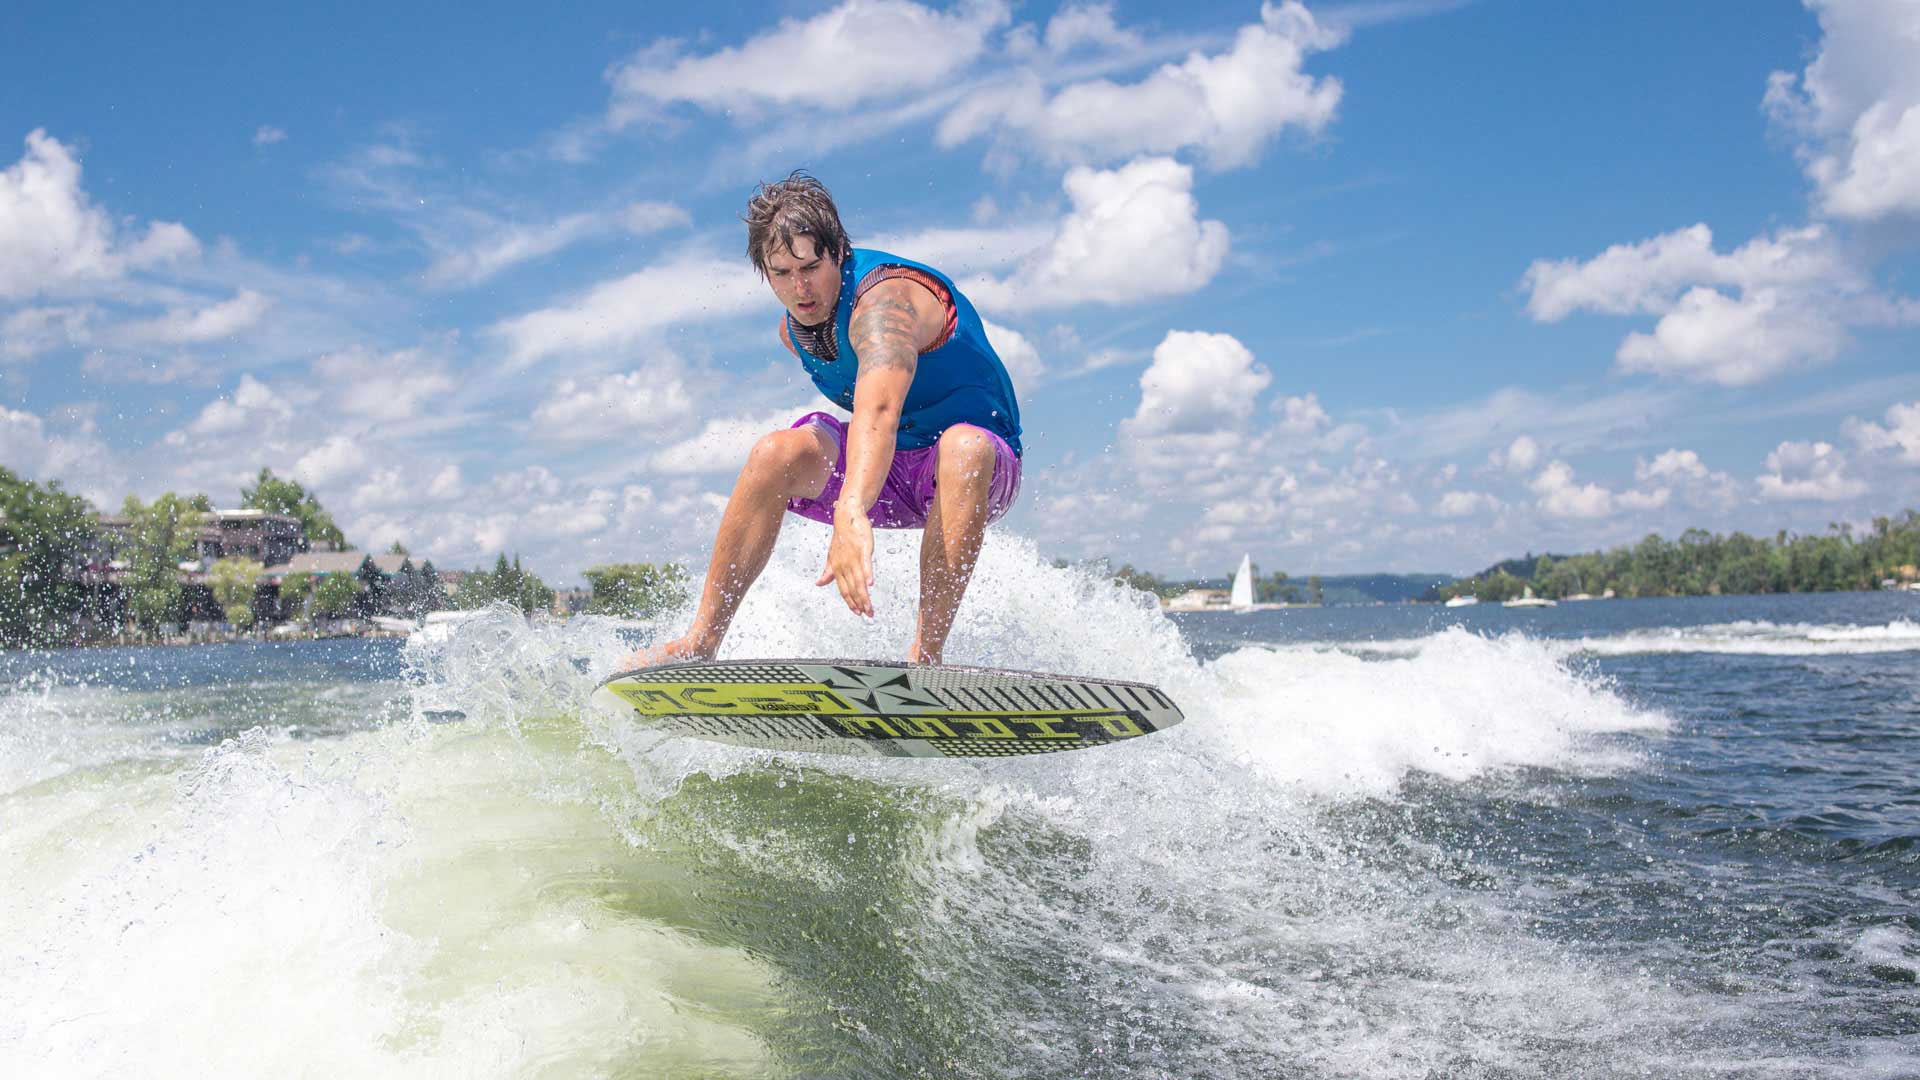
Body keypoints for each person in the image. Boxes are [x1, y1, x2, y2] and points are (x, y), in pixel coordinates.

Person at [631, 171, 1024, 667]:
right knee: (776, 452)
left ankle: (926, 659)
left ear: (838, 251)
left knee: (963, 446)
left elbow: (878, 410)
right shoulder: (792, 333)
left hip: (977, 472)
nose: (800, 288)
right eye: (780, 274)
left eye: (812, 267)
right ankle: (700, 644)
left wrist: (851, 508)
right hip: (892, 470)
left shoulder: (886, 306)